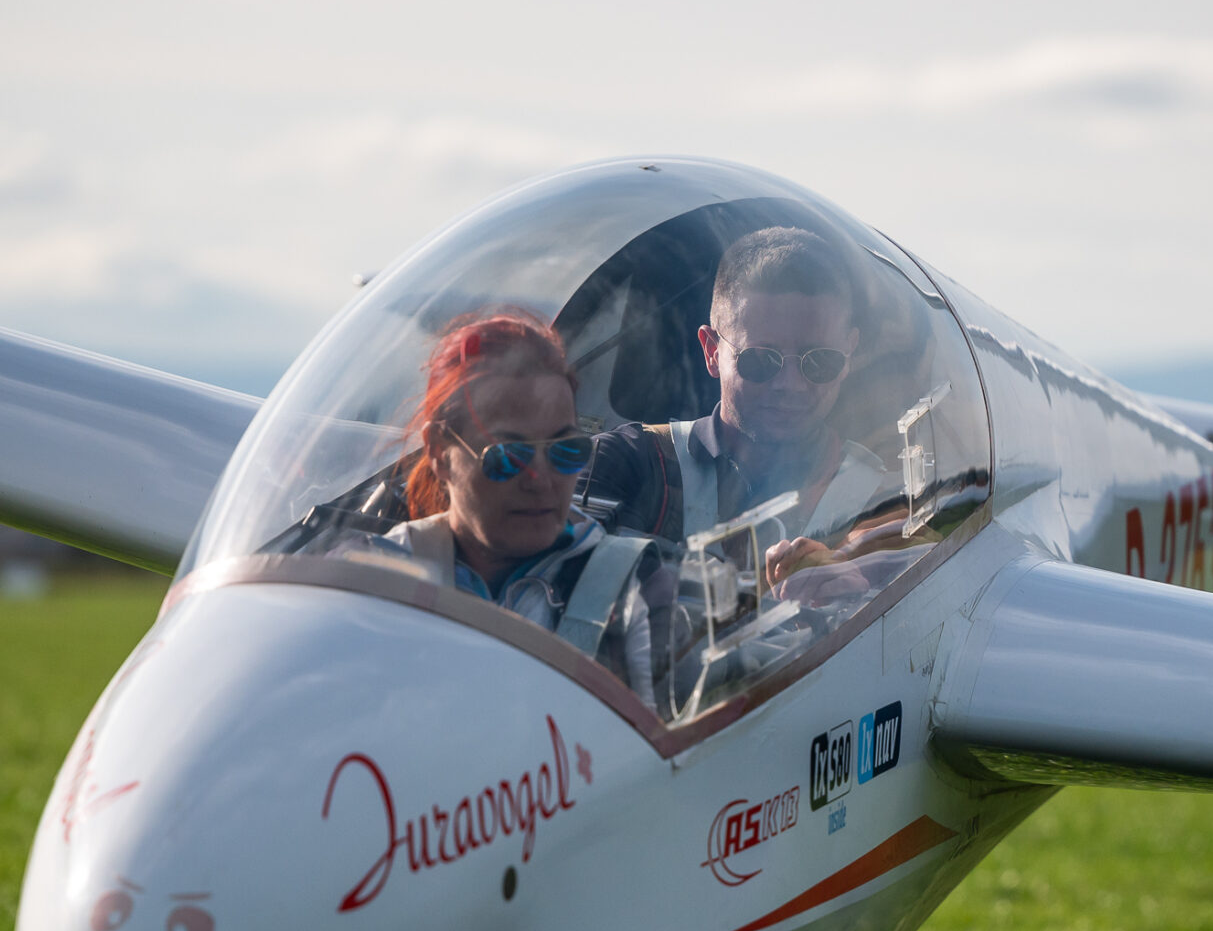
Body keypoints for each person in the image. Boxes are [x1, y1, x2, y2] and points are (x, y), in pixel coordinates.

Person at [581, 227, 893, 582]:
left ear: (849, 352)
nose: (790, 385)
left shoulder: (883, 500)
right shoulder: (626, 466)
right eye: (761, 359)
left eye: (819, 360)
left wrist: (855, 575)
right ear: (712, 351)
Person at [376, 313, 662, 695]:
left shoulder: (638, 591)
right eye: (508, 456)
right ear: (439, 453)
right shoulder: (374, 582)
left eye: (566, 451)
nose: (540, 480)